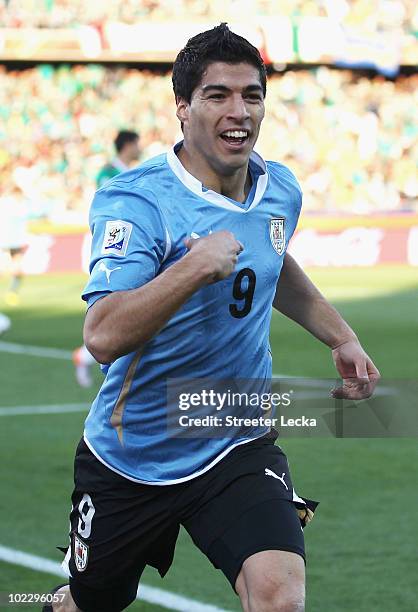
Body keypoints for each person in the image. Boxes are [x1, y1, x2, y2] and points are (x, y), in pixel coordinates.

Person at [46, 24, 380, 612]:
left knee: (279, 594)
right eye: (218, 95)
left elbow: (271, 257)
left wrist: (341, 335)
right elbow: (102, 337)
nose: (240, 112)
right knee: (92, 601)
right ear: (183, 107)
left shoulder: (281, 190)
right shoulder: (137, 202)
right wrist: (192, 268)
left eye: (252, 96)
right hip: (135, 454)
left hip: (235, 438)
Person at [73, 130, 140, 387]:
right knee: (115, 310)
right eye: (137, 143)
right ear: (128, 145)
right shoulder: (109, 173)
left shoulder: (131, 171)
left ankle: (88, 358)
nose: (139, 148)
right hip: (111, 247)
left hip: (127, 247)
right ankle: (89, 357)